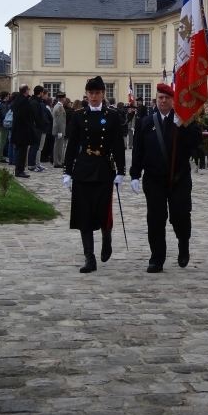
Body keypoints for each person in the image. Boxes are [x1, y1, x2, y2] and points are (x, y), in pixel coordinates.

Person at [130, 84, 202, 273]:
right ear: (156, 99)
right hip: (154, 179)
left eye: (167, 98)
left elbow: (196, 143)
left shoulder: (184, 120)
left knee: (180, 216)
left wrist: (184, 126)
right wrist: (135, 174)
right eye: (161, 97)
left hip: (179, 178)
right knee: (155, 219)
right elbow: (138, 149)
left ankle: (183, 243)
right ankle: (156, 258)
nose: (164, 101)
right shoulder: (146, 122)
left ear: (173, 100)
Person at [63, 76, 126, 273]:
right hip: (83, 168)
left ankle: (107, 238)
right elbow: (72, 144)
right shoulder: (79, 115)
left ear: (103, 94)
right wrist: (67, 171)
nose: (94, 96)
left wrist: (121, 171)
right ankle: (89, 257)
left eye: (97, 93)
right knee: (84, 214)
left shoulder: (112, 115)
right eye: (91, 93)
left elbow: (118, 145)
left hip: (104, 168)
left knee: (103, 211)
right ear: (86, 94)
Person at [11, 84, 37, 178]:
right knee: (21, 151)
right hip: (22, 131)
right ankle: (19, 170)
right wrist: (27, 126)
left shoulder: (19, 99)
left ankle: (19, 169)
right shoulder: (22, 100)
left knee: (20, 150)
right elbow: (22, 116)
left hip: (20, 129)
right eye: (28, 89)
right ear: (26, 90)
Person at [52, 92, 67, 168]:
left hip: (57, 129)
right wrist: (60, 131)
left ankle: (58, 161)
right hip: (59, 130)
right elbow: (60, 120)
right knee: (58, 146)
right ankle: (57, 162)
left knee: (58, 146)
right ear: (62, 99)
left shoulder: (57, 106)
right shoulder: (60, 107)